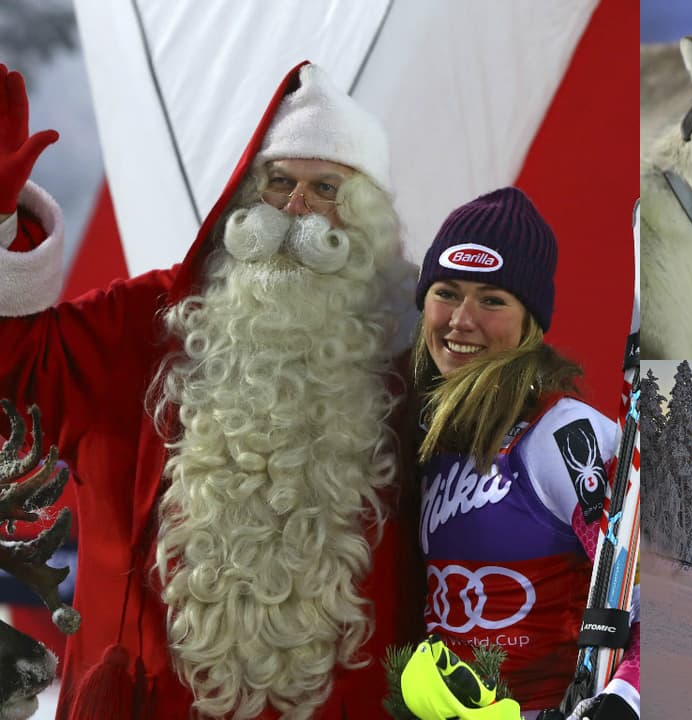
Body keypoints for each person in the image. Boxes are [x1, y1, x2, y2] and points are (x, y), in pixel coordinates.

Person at [0, 61, 424, 718]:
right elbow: (14, 367)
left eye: (327, 187)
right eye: (278, 182)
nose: (297, 209)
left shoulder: (413, 368)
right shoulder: (139, 328)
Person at [409, 187, 639, 720]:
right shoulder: (427, 434)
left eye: (492, 300)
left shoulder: (563, 437)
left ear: (530, 322)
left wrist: (622, 700)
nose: (461, 320)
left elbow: (648, 590)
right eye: (446, 292)